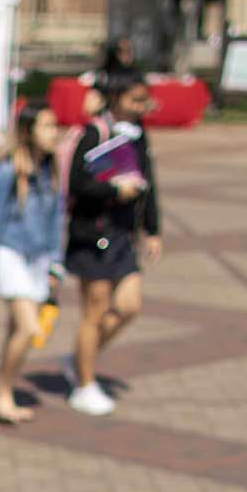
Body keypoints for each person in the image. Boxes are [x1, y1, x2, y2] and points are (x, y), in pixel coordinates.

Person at [64, 72, 160, 418]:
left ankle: (80, 357)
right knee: (95, 311)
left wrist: (152, 228)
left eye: (143, 100)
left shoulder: (138, 134)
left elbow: (149, 182)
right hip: (93, 234)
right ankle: (84, 384)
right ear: (116, 98)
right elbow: (77, 183)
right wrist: (113, 190)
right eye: (135, 100)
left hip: (122, 235)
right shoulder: (94, 133)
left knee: (129, 306)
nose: (140, 107)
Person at [0, 106, 66, 427]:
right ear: (29, 132)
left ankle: (4, 392)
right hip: (9, 253)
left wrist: (56, 264)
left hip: (38, 257)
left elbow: (56, 219)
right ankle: (1, 392)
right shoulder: (9, 170)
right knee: (29, 328)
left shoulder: (52, 170)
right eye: (46, 126)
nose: (53, 132)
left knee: (16, 330)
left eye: (55, 125)